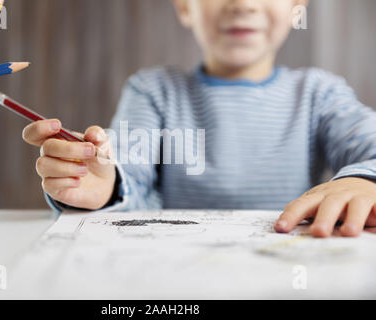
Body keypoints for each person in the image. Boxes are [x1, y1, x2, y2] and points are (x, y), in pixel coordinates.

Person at [22, 0, 376, 238]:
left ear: (298, 8)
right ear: (184, 8)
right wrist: (104, 185)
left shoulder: (320, 94)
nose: (242, 4)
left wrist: (364, 179)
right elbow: (129, 173)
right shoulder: (153, 90)